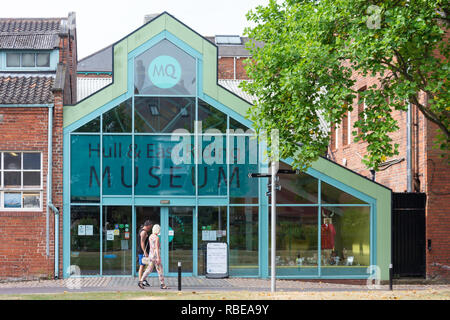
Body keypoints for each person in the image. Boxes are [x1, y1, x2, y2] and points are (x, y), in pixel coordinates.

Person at [140, 224, 168, 289]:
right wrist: (158, 257)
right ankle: (162, 284)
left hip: (151, 255)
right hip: (155, 256)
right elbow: (156, 248)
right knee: (160, 269)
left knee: (149, 269)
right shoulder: (157, 237)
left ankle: (141, 281)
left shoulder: (150, 236)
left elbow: (151, 247)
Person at [137, 220, 152, 289]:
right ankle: (140, 281)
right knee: (142, 266)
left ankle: (143, 280)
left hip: (143, 251)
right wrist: (145, 252)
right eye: (150, 226)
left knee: (145, 266)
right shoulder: (143, 232)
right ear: (148, 225)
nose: (151, 228)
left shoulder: (142, 230)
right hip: (142, 252)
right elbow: (142, 243)